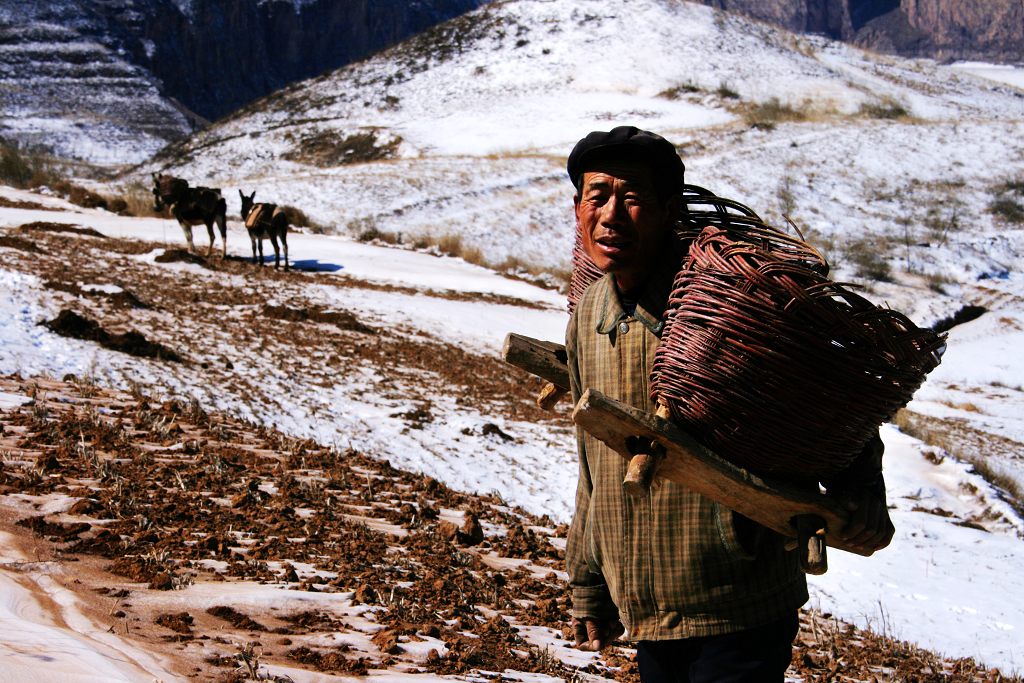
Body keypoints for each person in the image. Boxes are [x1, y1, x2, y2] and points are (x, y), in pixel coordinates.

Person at [562, 126, 895, 682]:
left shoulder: (724, 307)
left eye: (634, 197)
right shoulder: (589, 315)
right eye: (597, 196)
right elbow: (591, 461)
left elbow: (828, 405)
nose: (611, 214)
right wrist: (588, 583)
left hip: (738, 595)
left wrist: (862, 492)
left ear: (670, 211)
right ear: (578, 210)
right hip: (647, 605)